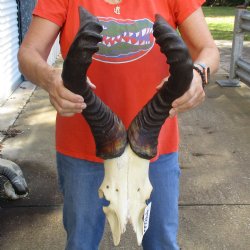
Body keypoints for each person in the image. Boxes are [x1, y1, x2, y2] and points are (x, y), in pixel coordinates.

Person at [18, 0, 220, 249]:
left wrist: (199, 74)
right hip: (83, 148)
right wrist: (50, 79)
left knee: (161, 243)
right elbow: (28, 53)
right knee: (81, 242)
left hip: (155, 146)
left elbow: (208, 49)